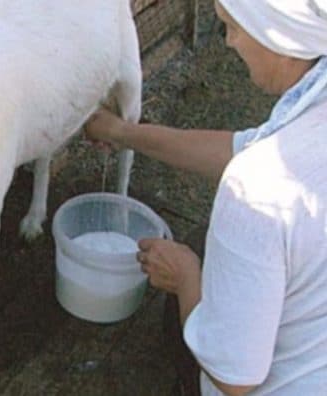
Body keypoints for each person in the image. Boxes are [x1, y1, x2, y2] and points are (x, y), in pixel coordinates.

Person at [84, 1, 327, 395]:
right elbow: (243, 149)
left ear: (278, 34)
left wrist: (185, 279)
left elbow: (235, 378)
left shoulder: (258, 192)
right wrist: (121, 132)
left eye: (232, 27)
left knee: (198, 280)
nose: (229, 43)